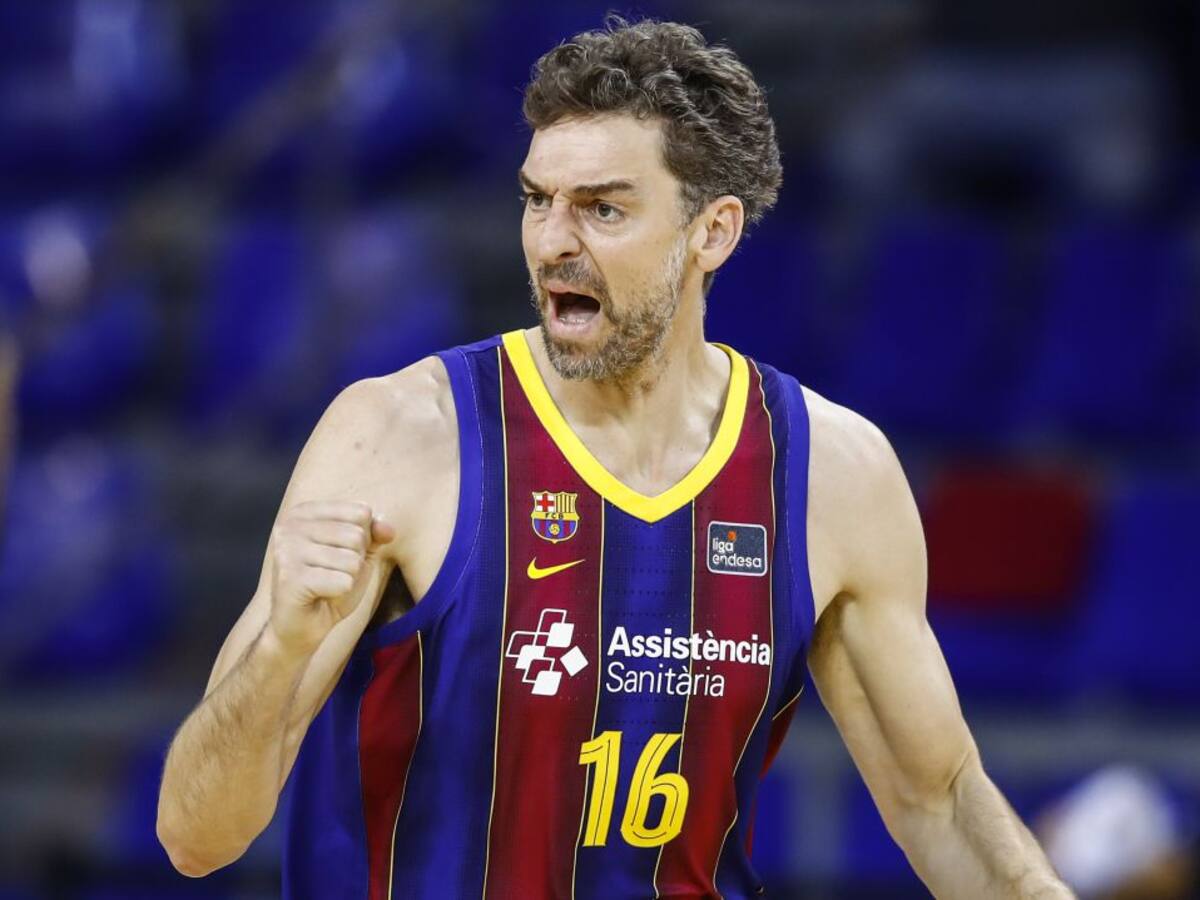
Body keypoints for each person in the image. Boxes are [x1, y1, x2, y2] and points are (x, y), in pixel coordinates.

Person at [157, 17, 1071, 899]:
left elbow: (939, 802)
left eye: (603, 208)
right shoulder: (399, 435)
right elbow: (195, 839)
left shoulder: (831, 474)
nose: (555, 241)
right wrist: (280, 651)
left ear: (712, 232)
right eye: (537, 200)